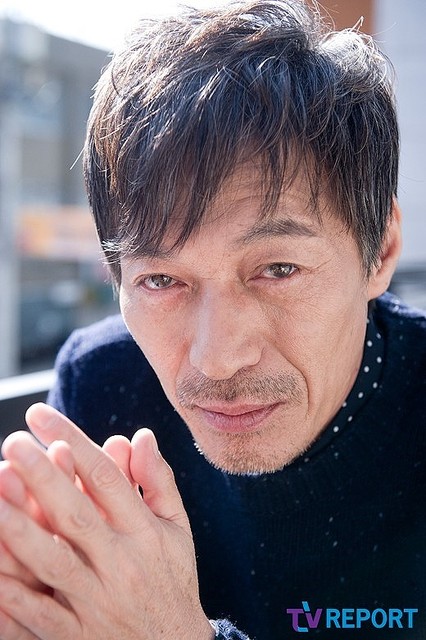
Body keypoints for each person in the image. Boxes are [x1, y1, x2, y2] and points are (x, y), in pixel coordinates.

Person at [0, 0, 425, 638]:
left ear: (381, 251)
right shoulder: (103, 385)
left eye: (277, 269)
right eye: (161, 280)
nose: (217, 358)